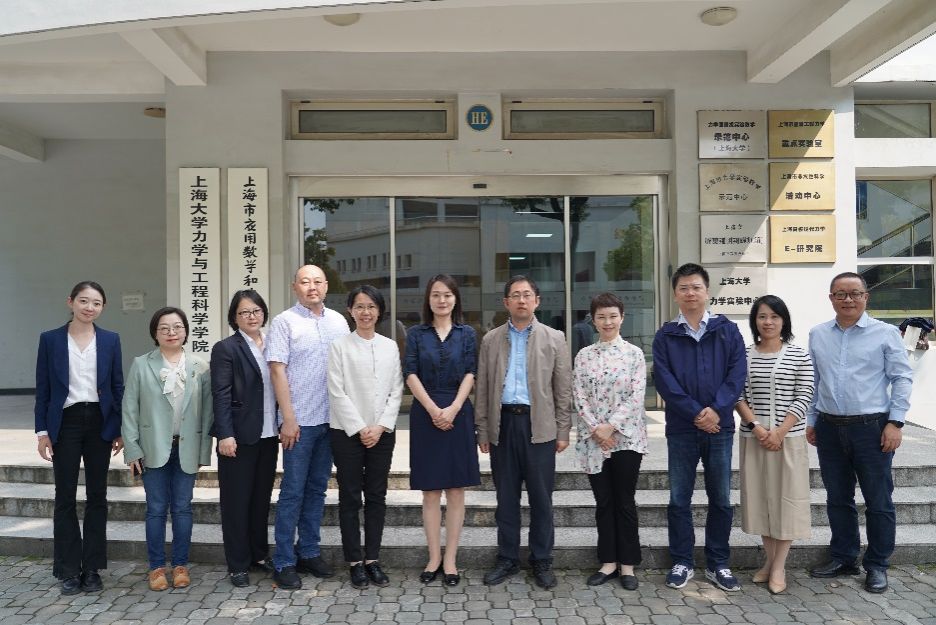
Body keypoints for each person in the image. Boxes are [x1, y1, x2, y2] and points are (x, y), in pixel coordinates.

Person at [805, 272, 913, 594]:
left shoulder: (885, 333)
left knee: (878, 500)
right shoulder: (818, 334)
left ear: (866, 297)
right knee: (838, 498)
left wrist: (896, 422)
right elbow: (815, 380)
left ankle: (877, 565)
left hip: (872, 429)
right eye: (840, 294)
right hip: (829, 427)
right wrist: (812, 420)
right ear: (831, 298)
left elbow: (902, 378)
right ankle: (844, 557)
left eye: (855, 293)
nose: (848, 299)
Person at [652, 262, 746, 592]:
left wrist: (717, 411)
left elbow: (737, 374)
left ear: (707, 292)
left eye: (696, 287)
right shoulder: (666, 335)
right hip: (681, 428)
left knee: (720, 498)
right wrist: (696, 413)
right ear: (675, 294)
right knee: (679, 498)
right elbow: (664, 381)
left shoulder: (727, 330)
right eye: (684, 288)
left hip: (720, 428)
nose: (690, 293)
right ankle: (682, 561)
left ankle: (719, 563)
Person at [475, 275, 572, 589]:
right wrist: (483, 430)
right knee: (506, 498)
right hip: (503, 425)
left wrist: (563, 429)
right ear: (506, 302)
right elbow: (483, 388)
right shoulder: (491, 340)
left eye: (527, 294)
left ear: (536, 301)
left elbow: (563, 389)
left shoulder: (554, 338)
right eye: (515, 295)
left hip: (539, 425)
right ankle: (507, 558)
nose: (521, 300)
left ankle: (541, 560)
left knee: (542, 499)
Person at [35, 281, 124, 595]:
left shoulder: (110, 340)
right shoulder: (50, 339)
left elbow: (117, 386)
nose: (90, 307)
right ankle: (68, 569)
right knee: (65, 497)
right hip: (66, 423)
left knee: (98, 496)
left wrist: (119, 428)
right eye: (84, 301)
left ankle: (92, 568)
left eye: (96, 303)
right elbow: (43, 388)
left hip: (100, 422)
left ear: (103, 307)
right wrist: (42, 432)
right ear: (70, 302)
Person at [267, 265, 350, 590]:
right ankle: (284, 561)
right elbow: (277, 370)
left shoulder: (339, 322)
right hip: (299, 424)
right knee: (292, 492)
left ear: (326, 286)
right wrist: (287, 418)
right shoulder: (284, 322)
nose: (311, 287)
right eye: (305, 282)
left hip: (331, 421)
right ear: (295, 287)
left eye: (317, 281)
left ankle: (309, 552)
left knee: (317, 490)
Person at [122, 307, 213, 591]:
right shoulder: (141, 364)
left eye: (177, 327)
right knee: (156, 509)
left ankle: (181, 565)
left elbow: (207, 413)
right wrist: (132, 449)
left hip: (187, 447)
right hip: (152, 449)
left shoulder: (200, 366)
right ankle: (157, 567)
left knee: (183, 508)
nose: (171, 333)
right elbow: (129, 408)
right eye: (164, 328)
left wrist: (203, 451)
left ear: (186, 331)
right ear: (155, 333)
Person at [735, 295, 814, 595]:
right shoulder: (743, 355)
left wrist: (779, 431)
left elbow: (805, 394)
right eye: (762, 316)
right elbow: (737, 394)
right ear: (754, 321)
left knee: (786, 502)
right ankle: (769, 562)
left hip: (788, 440)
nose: (768, 322)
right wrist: (757, 427)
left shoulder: (798, 355)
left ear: (784, 321)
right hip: (753, 439)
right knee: (762, 501)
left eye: (774, 316)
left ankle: (779, 566)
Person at [404, 274, 480, 587]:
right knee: (431, 491)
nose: (442, 300)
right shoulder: (416, 334)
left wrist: (454, 408)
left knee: (456, 490)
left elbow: (471, 372)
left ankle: (451, 560)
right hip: (426, 414)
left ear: (455, 298)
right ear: (428, 299)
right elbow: (410, 373)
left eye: (447, 294)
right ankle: (433, 557)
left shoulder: (467, 333)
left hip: (458, 412)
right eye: (436, 294)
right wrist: (434, 410)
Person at [327, 286, 403, 589]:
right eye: (359, 306)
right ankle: (354, 562)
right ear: (350, 310)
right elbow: (336, 391)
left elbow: (397, 389)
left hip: (382, 433)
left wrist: (380, 426)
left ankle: (372, 559)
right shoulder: (339, 346)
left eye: (371, 306)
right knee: (349, 496)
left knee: (376, 495)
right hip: (346, 433)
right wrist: (360, 428)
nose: (365, 312)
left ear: (379, 310)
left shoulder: (390, 346)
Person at [573, 292, 648, 591]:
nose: (607, 322)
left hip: (626, 439)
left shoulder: (634, 354)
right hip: (594, 440)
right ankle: (607, 562)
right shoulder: (584, 355)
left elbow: (636, 395)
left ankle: (628, 564)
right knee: (603, 502)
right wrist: (596, 429)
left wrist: (611, 427)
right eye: (601, 317)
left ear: (622, 318)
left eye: (612, 316)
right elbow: (578, 395)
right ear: (593, 320)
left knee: (625, 501)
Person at [210, 290, 279, 588]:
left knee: (260, 499)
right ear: (234, 317)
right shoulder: (226, 348)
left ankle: (258, 554)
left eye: (256, 311)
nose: (251, 316)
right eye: (244, 312)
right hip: (238, 436)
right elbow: (221, 394)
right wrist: (225, 433)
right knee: (236, 502)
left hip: (269, 434)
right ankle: (237, 563)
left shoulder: (274, 343)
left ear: (264, 312)